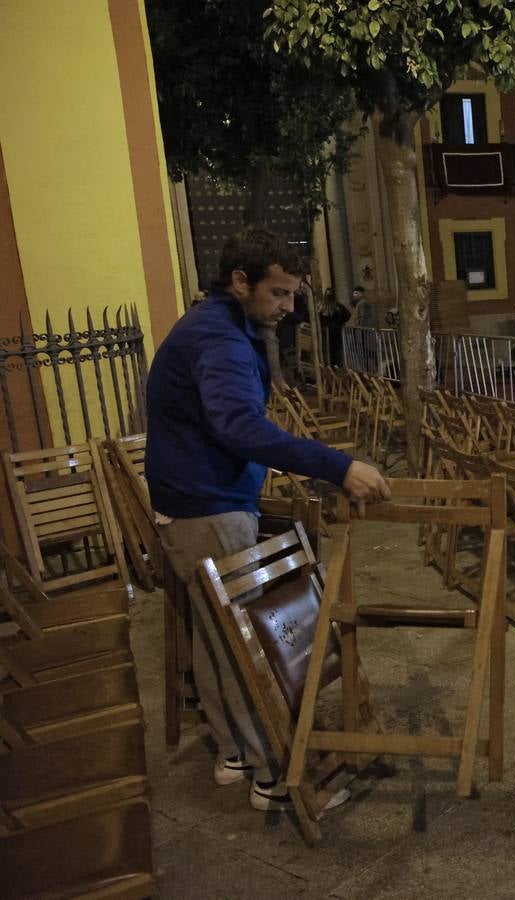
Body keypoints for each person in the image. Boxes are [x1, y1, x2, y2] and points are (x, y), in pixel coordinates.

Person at [146, 228, 390, 813]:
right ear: (240, 282)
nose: (288, 307)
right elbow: (240, 428)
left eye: (292, 294)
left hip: (197, 502)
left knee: (216, 637)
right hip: (208, 507)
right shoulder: (222, 340)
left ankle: (235, 753)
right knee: (242, 648)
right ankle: (274, 776)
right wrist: (338, 464)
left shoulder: (215, 325)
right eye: (279, 293)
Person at [317, 286, 350, 366]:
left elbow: (347, 315)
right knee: (330, 353)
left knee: (335, 353)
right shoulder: (323, 306)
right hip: (328, 333)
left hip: (334, 334)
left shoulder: (336, 306)